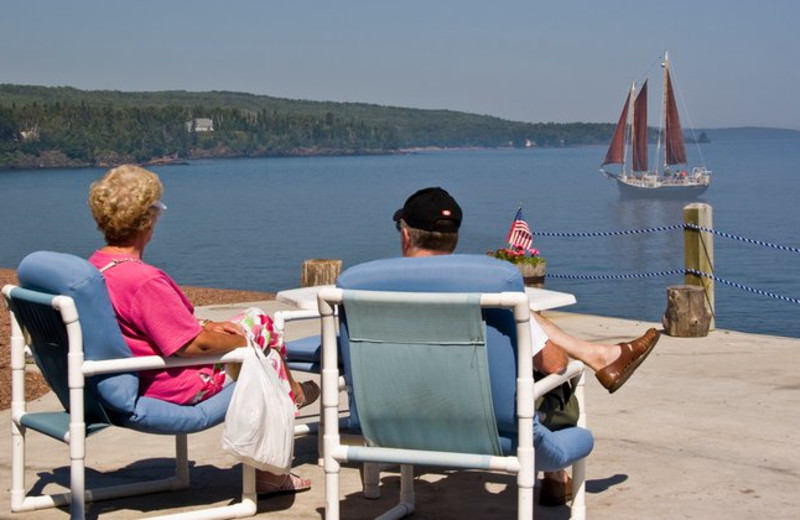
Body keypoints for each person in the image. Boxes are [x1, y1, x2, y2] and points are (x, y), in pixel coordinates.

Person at [392, 186, 661, 506]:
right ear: (454, 239)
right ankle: (558, 470)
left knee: (521, 317)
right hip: (481, 425)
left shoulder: (369, 288)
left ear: (406, 235)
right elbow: (554, 364)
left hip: (397, 420)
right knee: (559, 370)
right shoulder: (484, 288)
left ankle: (598, 355)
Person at [87, 164, 317, 496]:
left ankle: (291, 396)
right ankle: (274, 462)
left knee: (258, 326)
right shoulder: (142, 280)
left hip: (135, 375)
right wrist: (243, 340)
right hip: (178, 384)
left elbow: (147, 327)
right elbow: (192, 347)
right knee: (262, 337)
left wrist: (209, 324)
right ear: (147, 219)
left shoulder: (99, 267)